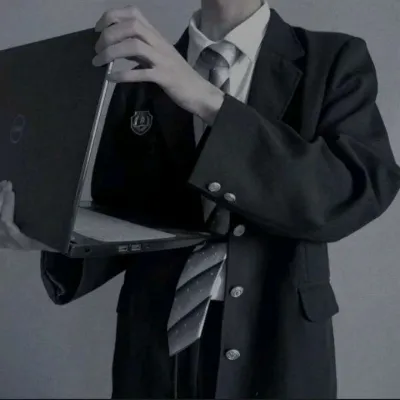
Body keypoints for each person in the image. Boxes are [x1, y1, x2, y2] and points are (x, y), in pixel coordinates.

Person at [1, 0, 400, 398]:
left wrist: (209, 101)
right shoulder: (138, 73)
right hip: (155, 351)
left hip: (277, 349)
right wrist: (49, 231)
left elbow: (349, 191)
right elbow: (123, 220)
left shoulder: (334, 59)